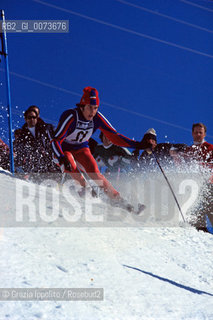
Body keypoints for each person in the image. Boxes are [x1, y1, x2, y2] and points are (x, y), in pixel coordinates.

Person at [52, 86, 146, 206]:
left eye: (95, 108)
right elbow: (56, 140)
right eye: (89, 108)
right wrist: (61, 157)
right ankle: (85, 192)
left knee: (95, 173)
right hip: (63, 150)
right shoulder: (71, 116)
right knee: (70, 163)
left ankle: (118, 200)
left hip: (81, 149)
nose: (92, 112)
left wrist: (138, 145)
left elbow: (115, 136)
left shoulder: (97, 118)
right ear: (82, 106)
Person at [15, 107, 58, 174]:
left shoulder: (46, 128)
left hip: (51, 158)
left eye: (34, 117)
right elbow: (20, 152)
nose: (32, 119)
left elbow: (57, 136)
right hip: (37, 164)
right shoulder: (23, 135)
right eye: (29, 117)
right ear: (25, 119)